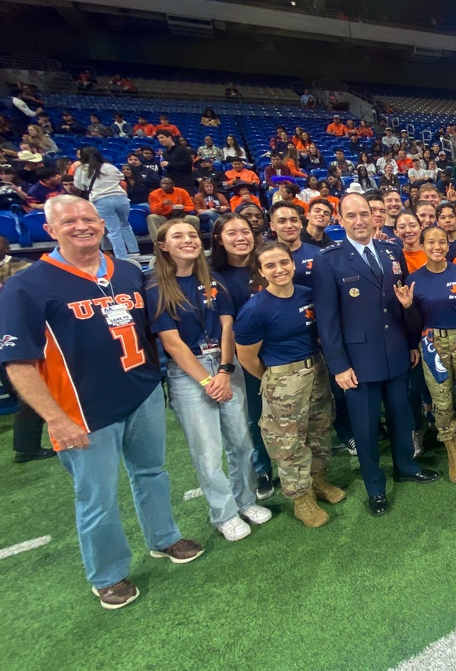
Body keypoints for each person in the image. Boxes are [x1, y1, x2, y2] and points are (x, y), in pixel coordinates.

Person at [0, 197, 203, 609]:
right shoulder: (28, 284)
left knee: (152, 472)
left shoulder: (126, 271)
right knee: (97, 497)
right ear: (51, 229)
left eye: (89, 218)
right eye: (69, 220)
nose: (82, 226)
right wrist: (54, 420)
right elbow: (19, 364)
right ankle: (108, 574)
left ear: (103, 223)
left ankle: (163, 538)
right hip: (81, 410)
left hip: (140, 392)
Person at [312, 194, 439, 517]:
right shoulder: (329, 260)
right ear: (340, 220)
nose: (359, 221)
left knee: (402, 416)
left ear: (374, 217)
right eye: (351, 215)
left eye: (364, 214)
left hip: (396, 350)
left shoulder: (391, 251)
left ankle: (406, 466)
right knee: (366, 429)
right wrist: (339, 364)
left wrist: (411, 343)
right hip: (357, 361)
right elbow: (326, 320)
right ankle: (375, 487)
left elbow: (401, 302)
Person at [146, 219, 270, 541]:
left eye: (191, 235)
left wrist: (226, 371)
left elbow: (228, 327)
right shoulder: (156, 287)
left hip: (226, 366)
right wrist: (207, 382)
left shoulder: (214, 280)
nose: (188, 240)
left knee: (241, 442)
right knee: (207, 451)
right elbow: (171, 343)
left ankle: (245, 501)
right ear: (163, 246)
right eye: (178, 236)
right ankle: (224, 514)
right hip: (189, 373)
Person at [235, 241, 346, 526]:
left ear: (293, 264)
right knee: (289, 443)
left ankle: (317, 482)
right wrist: (276, 381)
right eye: (270, 265)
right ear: (260, 271)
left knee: (319, 431)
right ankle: (301, 499)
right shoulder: (255, 309)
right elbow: (247, 358)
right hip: (283, 379)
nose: (279, 269)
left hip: (317, 370)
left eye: (284, 262)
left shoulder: (309, 295)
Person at [395, 226, 456, 483]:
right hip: (433, 344)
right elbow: (414, 326)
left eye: (442, 242)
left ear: (448, 245)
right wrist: (408, 306)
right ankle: (453, 453)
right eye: (431, 242)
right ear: (422, 245)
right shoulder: (414, 279)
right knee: (442, 402)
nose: (437, 246)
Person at [209, 213, 275, 497]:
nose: (241, 238)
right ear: (219, 240)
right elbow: (227, 325)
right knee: (254, 415)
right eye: (232, 233)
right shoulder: (214, 275)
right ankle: (262, 469)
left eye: (245, 231)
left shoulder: (264, 264)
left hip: (279, 349)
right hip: (244, 356)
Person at [0, 235, 53, 463]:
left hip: (19, 334)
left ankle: (26, 446)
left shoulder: (24, 267)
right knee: (25, 394)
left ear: (7, 246)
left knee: (28, 393)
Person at [73, 147, 139, 260]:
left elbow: (79, 186)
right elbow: (121, 177)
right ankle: (134, 252)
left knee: (114, 230)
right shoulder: (108, 166)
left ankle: (122, 257)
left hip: (102, 200)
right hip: (121, 198)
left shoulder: (81, 169)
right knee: (125, 225)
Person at [269, 201, 320, 286]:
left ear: (300, 223)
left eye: (294, 220)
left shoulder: (318, 254)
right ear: (272, 226)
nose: (289, 225)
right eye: (282, 221)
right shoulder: (264, 257)